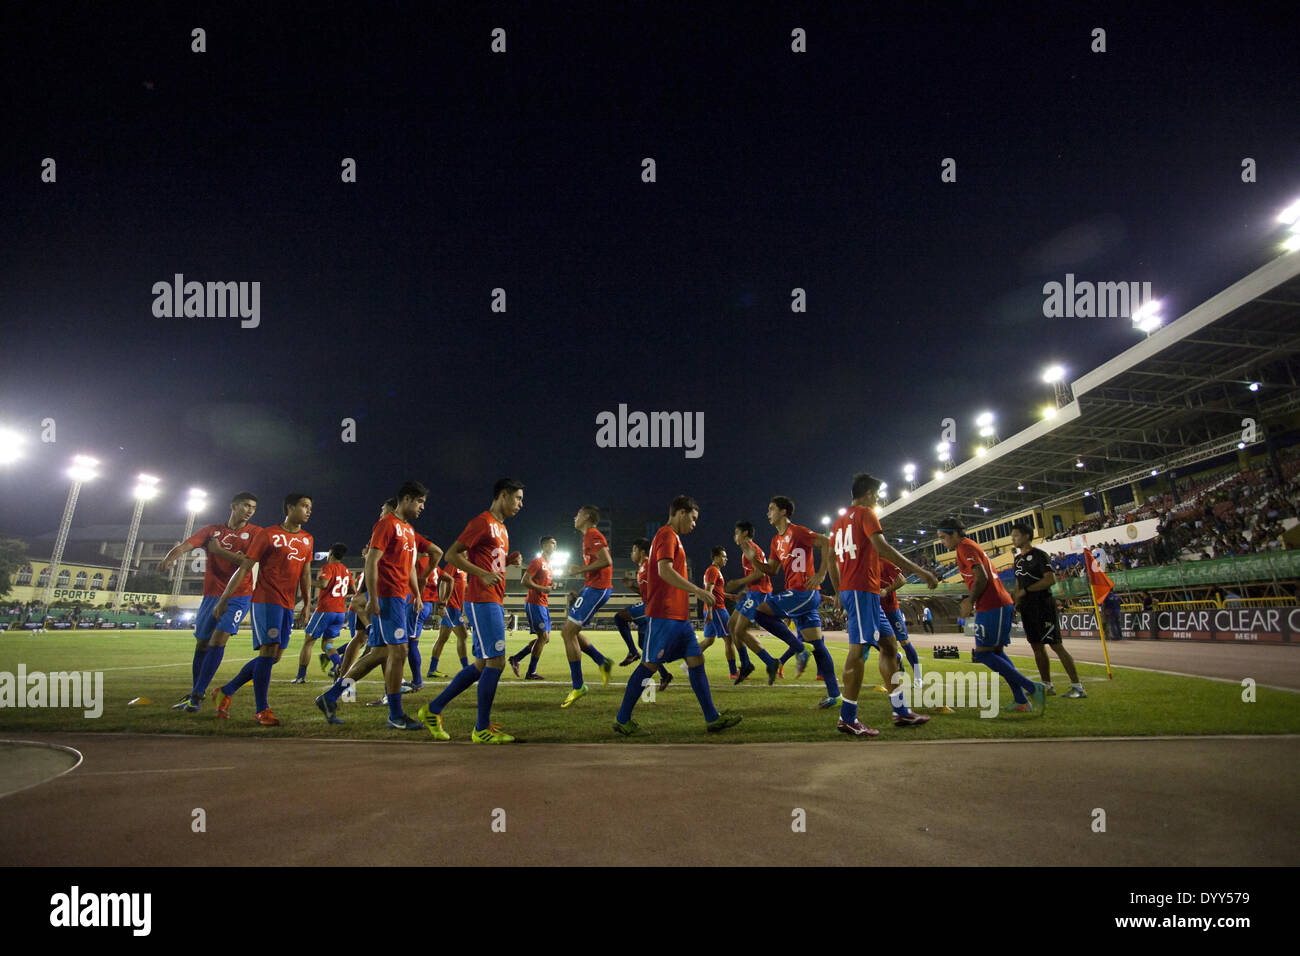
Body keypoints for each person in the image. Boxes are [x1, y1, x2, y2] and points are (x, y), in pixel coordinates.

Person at [612, 495, 741, 736]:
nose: (694, 524)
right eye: (692, 519)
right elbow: (663, 570)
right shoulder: (666, 535)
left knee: (696, 661)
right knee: (649, 665)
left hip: (679, 618)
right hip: (664, 615)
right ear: (680, 512)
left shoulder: (674, 538)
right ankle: (622, 719)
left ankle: (712, 718)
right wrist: (697, 590)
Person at [314, 482, 438, 729]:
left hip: (400, 597)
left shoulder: (409, 530)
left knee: (379, 652)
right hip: (388, 596)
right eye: (419, 501)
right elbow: (372, 561)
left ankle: (330, 696)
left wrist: (418, 594)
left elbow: (409, 568)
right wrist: (372, 597)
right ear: (406, 499)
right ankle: (395, 715)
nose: (422, 507)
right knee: (399, 652)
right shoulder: (386, 524)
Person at [416, 477, 526, 743]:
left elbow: (490, 562)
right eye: (518, 498)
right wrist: (481, 574)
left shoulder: (502, 528)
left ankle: (433, 710)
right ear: (503, 495)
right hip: (481, 599)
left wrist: (508, 561)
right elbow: (452, 555)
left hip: (493, 599)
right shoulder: (483, 522)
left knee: (480, 664)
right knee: (497, 661)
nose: (521, 504)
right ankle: (481, 728)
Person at [828, 474, 938, 736]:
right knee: (859, 650)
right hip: (862, 591)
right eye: (876, 495)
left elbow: (831, 558)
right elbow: (882, 547)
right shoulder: (866, 513)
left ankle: (900, 711)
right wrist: (919, 571)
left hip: (861, 592)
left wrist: (838, 590)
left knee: (889, 646)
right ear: (867, 494)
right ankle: (847, 718)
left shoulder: (839, 522)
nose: (877, 500)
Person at [211, 493, 315, 725]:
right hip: (267, 600)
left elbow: (305, 574)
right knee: (268, 652)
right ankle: (262, 710)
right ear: (290, 507)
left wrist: (307, 603)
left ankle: (227, 690)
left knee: (274, 656)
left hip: (288, 603)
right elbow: (246, 567)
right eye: (304, 506)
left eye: (310, 507)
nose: (308, 511)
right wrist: (224, 598)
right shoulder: (268, 534)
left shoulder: (308, 539)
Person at [733, 496, 841, 709]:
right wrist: (754, 558)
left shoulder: (798, 532)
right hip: (797, 596)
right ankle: (834, 695)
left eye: (771, 509)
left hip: (804, 593)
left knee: (759, 611)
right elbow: (771, 570)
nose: (768, 513)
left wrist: (821, 574)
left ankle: (799, 648)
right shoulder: (775, 541)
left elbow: (827, 542)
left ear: (783, 512)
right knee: (818, 646)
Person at [159, 491, 261, 712]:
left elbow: (247, 562)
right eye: (246, 505)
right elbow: (186, 546)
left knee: (219, 637)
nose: (250, 510)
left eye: (253, 507)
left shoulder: (255, 533)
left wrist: (218, 551)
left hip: (239, 595)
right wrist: (169, 558)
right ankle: (196, 695)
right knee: (203, 643)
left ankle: (196, 695)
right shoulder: (211, 531)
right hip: (211, 595)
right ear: (233, 506)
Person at [936, 516, 1045, 714]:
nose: (943, 543)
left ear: (954, 534)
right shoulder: (967, 547)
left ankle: (1031, 687)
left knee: (983, 653)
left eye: (944, 538)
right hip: (995, 604)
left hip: (993, 605)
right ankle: (1021, 701)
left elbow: (982, 577)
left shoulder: (965, 547)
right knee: (995, 652)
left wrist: (970, 600)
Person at [1010, 521, 1085, 699]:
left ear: (1027, 536)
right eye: (1012, 536)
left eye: (1016, 536)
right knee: (1036, 646)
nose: (1013, 539)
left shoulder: (1040, 555)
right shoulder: (1017, 559)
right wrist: (1016, 601)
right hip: (1028, 608)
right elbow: (1018, 583)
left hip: (1043, 604)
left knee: (1056, 645)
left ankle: (1077, 686)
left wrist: (1026, 591)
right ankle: (1046, 686)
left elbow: (1049, 580)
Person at [724, 520, 803, 682]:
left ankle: (769, 662)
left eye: (737, 533)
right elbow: (754, 576)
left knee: (739, 630)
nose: (735, 537)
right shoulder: (746, 550)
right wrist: (744, 590)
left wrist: (737, 583)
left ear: (745, 533)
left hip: (760, 594)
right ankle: (746, 663)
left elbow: (761, 574)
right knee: (731, 625)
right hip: (752, 593)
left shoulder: (752, 549)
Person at [559, 506, 615, 706]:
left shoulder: (592, 534)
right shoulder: (588, 536)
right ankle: (602, 661)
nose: (575, 516)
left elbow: (606, 561)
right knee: (571, 632)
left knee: (567, 633)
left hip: (597, 589)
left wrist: (580, 570)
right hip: (592, 588)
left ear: (587, 517)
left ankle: (578, 686)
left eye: (578, 513)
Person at [509, 536, 560, 679]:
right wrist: (543, 588)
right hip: (534, 603)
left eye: (556, 543)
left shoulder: (549, 565)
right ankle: (531, 672)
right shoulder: (538, 562)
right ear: (544, 546)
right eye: (552, 543)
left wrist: (551, 586)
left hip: (543, 604)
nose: (555, 545)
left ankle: (516, 658)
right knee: (543, 637)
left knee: (545, 639)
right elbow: (524, 580)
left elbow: (544, 585)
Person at [697, 546, 742, 678]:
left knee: (708, 641)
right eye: (723, 556)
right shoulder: (713, 570)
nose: (726, 559)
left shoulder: (714, 571)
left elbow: (716, 590)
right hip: (716, 609)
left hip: (713, 609)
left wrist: (729, 596)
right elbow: (709, 592)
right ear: (716, 558)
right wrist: (711, 611)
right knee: (729, 639)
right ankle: (733, 672)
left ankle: (689, 662)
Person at [426, 560, 470, 678]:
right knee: (463, 635)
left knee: (442, 638)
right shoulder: (454, 565)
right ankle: (466, 669)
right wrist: (442, 604)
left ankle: (432, 669)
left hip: (456, 607)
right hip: (451, 606)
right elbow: (443, 583)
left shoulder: (464, 569)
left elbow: (461, 585)